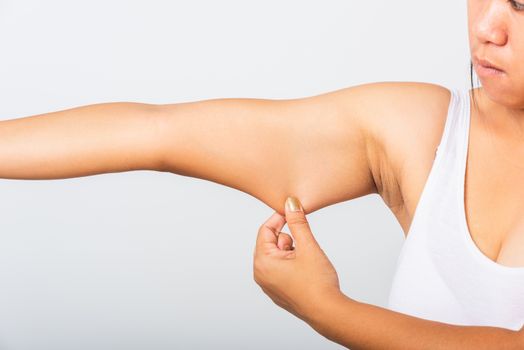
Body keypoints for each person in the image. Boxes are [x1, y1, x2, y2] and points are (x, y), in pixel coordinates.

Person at [1, 0, 524, 348]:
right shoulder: (423, 128)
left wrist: (326, 308)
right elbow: (155, 133)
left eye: (520, 5)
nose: (485, 28)